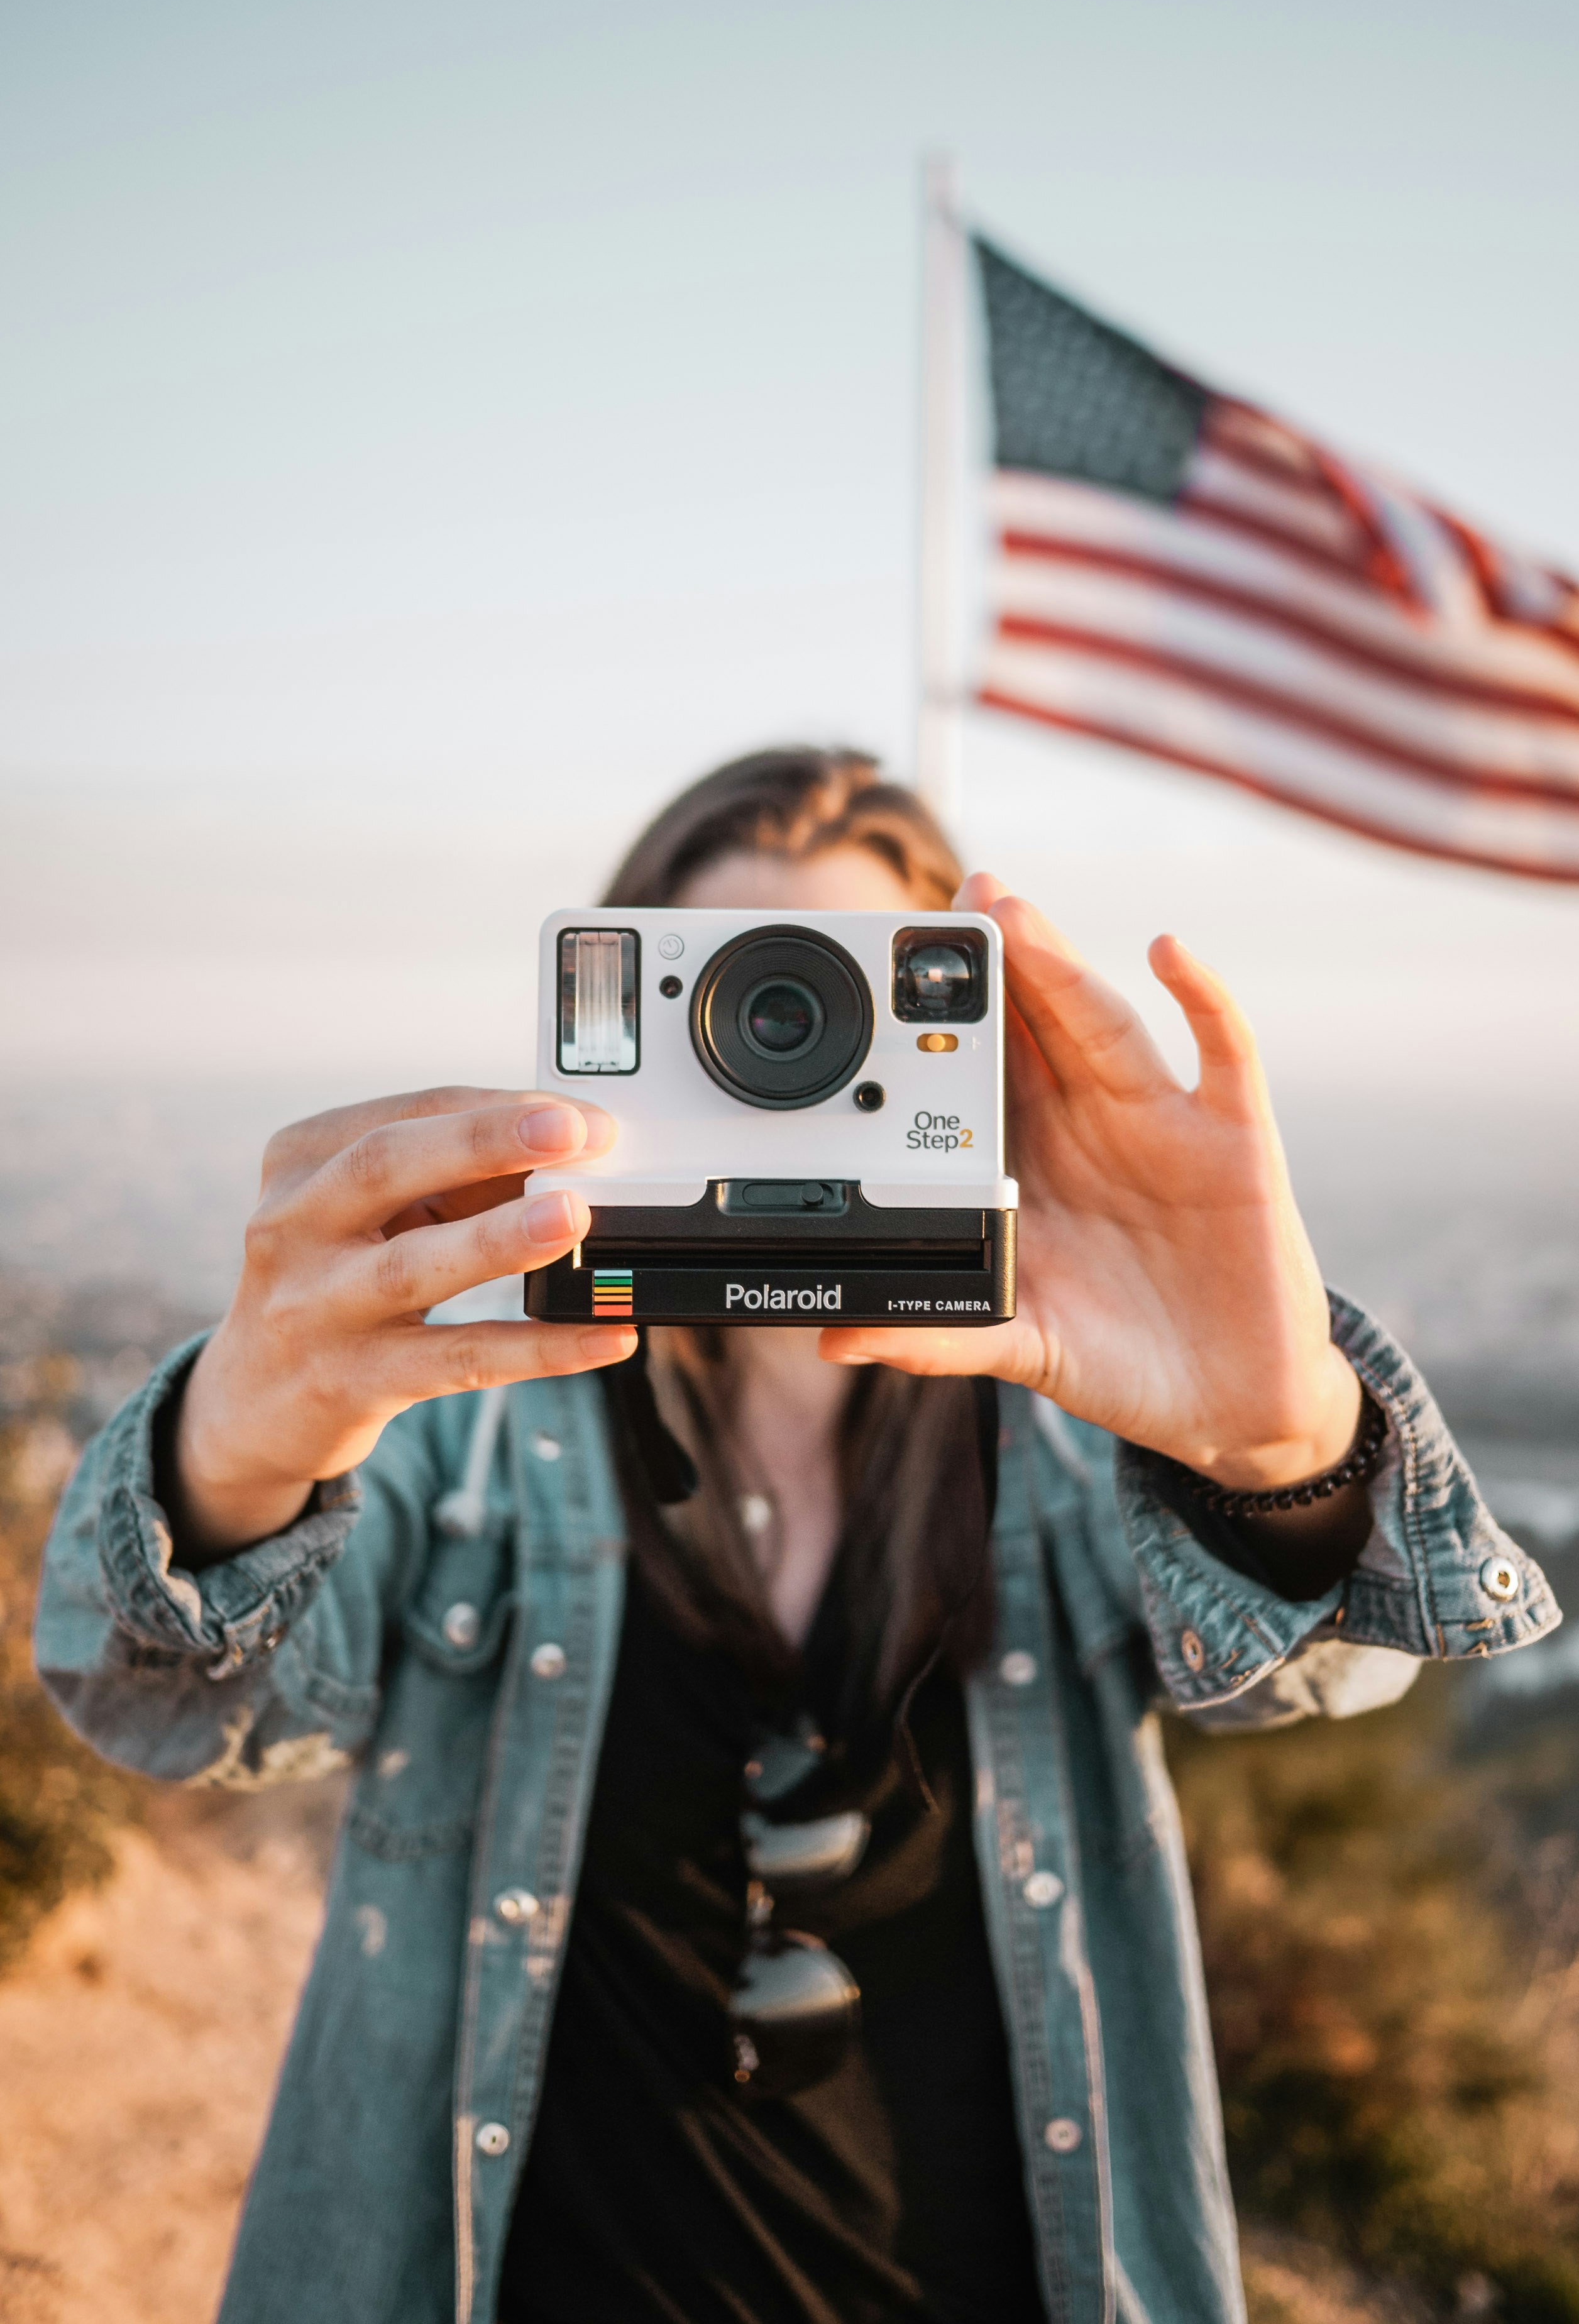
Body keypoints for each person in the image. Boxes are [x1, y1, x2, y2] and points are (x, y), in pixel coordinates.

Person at [36, 748, 1556, 2324]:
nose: (783, 1060)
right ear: (601, 1044)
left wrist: (1273, 1447)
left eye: (855, 1008)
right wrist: (230, 1449)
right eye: (734, 1009)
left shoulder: (1057, 1453)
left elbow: (1324, 1673)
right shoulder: (464, 1433)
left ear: (971, 1049)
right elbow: (171, 1701)